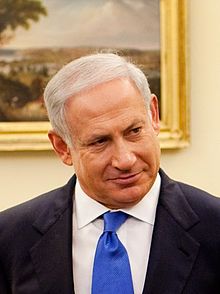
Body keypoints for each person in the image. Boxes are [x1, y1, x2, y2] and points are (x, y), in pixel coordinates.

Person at [0, 53, 220, 294]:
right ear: (62, 147)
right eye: (100, 141)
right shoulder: (10, 238)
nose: (125, 159)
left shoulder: (214, 227)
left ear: (153, 115)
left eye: (134, 131)